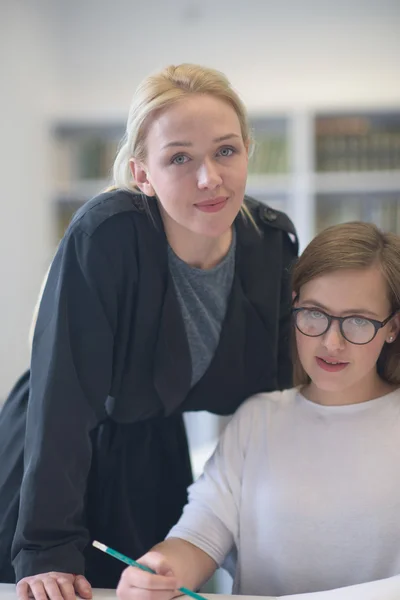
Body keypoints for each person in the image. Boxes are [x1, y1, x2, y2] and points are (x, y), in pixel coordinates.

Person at [0, 63, 298, 599]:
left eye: (226, 151)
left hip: (153, 444)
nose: (209, 178)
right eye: (179, 158)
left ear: (249, 151)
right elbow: (64, 398)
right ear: (142, 174)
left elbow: (276, 406)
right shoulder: (107, 236)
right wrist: (47, 547)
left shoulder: (270, 244)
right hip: (54, 455)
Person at [116, 221, 400, 599]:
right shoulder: (259, 419)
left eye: (358, 321)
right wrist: (157, 572)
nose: (332, 342)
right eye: (315, 313)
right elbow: (198, 535)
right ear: (294, 305)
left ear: (393, 328)